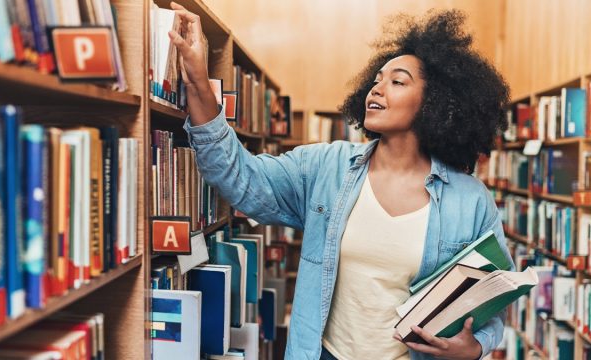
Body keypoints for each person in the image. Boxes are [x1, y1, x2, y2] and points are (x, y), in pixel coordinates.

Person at [169, 3, 513, 359]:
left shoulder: (471, 201)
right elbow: (239, 179)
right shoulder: (325, 167)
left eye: (397, 82)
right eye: (376, 80)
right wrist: (198, 80)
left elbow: (496, 295)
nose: (377, 90)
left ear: (435, 104)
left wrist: (475, 348)